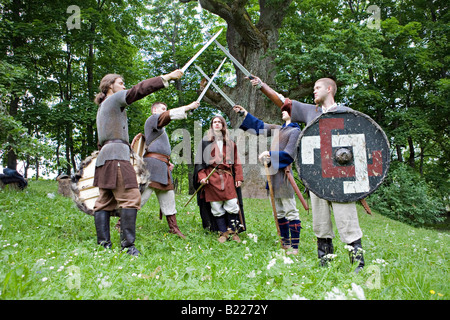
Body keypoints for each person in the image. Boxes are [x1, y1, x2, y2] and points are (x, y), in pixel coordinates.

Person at [248, 76, 365, 272]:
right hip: (317, 177)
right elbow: (283, 102)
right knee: (321, 223)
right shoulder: (311, 111)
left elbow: (359, 145)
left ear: (329, 89)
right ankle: (325, 265)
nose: (314, 91)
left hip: (342, 179)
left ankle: (358, 267)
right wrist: (262, 86)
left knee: (347, 222)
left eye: (317, 87)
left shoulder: (346, 113)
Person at [93, 69, 183, 256]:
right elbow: (138, 90)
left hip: (104, 158)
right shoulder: (113, 100)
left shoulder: (103, 108)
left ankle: (103, 245)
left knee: (104, 201)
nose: (124, 86)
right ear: (110, 86)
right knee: (131, 197)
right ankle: (127, 247)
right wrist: (166, 78)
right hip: (117, 156)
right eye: (120, 82)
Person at [232, 104, 302, 255]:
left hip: (284, 175)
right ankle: (285, 243)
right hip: (272, 174)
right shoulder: (279, 129)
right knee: (279, 212)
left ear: (294, 113)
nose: (283, 111)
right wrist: (244, 113)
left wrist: (269, 153)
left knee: (291, 211)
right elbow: (260, 126)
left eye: (287, 110)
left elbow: (289, 154)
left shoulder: (295, 131)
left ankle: (295, 247)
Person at [141, 100, 200, 238]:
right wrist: (188, 107)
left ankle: (174, 228)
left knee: (169, 198)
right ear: (154, 110)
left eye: (165, 108)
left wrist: (167, 162)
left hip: (163, 167)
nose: (164, 110)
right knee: (140, 198)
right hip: (151, 166)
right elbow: (166, 116)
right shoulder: (152, 120)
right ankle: (122, 224)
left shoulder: (161, 130)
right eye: (162, 108)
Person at [193, 116, 245, 243]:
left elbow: (237, 162)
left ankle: (233, 232)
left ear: (223, 125)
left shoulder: (230, 143)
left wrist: (238, 177)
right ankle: (223, 233)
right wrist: (202, 177)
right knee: (216, 206)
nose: (217, 124)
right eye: (214, 122)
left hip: (227, 177)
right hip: (212, 178)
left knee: (232, 204)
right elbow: (199, 162)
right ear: (211, 125)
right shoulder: (205, 142)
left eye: (219, 122)